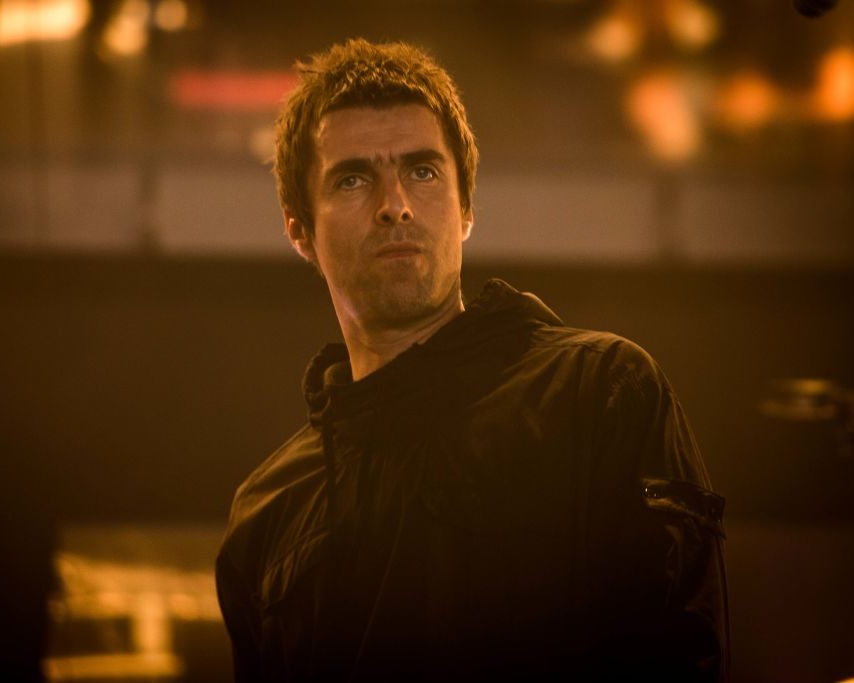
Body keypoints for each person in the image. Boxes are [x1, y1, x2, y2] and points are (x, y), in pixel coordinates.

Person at [215, 38, 729, 682]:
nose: (395, 205)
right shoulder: (267, 512)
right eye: (353, 179)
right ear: (299, 231)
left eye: (423, 172)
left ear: (466, 210)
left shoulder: (597, 391)